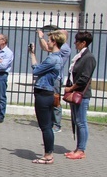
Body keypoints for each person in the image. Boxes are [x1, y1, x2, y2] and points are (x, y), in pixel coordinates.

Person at [28, 30, 66, 164]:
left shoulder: (52, 58)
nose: (47, 42)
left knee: (45, 127)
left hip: (43, 93)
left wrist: (32, 55)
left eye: (49, 40)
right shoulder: (57, 57)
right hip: (47, 92)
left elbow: (36, 70)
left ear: (54, 42)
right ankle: (48, 154)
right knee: (47, 126)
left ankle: (48, 155)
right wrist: (32, 53)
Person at [64, 31, 96, 160]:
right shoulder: (79, 56)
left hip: (81, 94)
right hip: (74, 92)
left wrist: (71, 88)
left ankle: (81, 149)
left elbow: (84, 77)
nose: (75, 43)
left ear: (83, 43)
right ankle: (77, 148)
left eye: (77, 41)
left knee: (81, 122)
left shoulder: (89, 58)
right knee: (76, 121)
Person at [37, 25, 71, 133]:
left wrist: (41, 37)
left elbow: (46, 47)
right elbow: (44, 47)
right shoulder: (60, 48)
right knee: (49, 101)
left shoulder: (65, 48)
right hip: (51, 78)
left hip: (56, 78)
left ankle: (57, 125)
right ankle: (49, 123)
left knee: (55, 100)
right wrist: (40, 38)